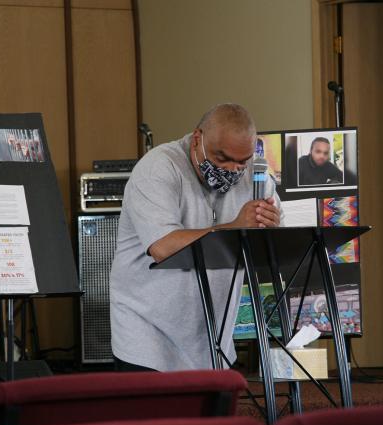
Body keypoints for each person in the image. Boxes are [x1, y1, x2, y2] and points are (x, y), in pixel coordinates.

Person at [109, 103, 283, 372]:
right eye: (221, 158)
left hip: (214, 340)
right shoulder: (158, 168)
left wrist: (270, 226)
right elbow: (163, 247)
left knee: (219, 414)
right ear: (197, 139)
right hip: (148, 335)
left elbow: (270, 241)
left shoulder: (256, 175)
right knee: (162, 415)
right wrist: (234, 227)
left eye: (241, 161)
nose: (232, 169)